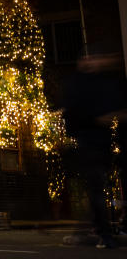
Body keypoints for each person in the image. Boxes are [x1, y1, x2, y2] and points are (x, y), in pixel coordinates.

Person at [61, 53, 127, 249]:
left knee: (96, 189)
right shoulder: (81, 84)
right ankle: (103, 233)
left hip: (99, 143)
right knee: (97, 188)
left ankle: (98, 230)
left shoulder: (100, 83)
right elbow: (74, 113)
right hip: (90, 143)